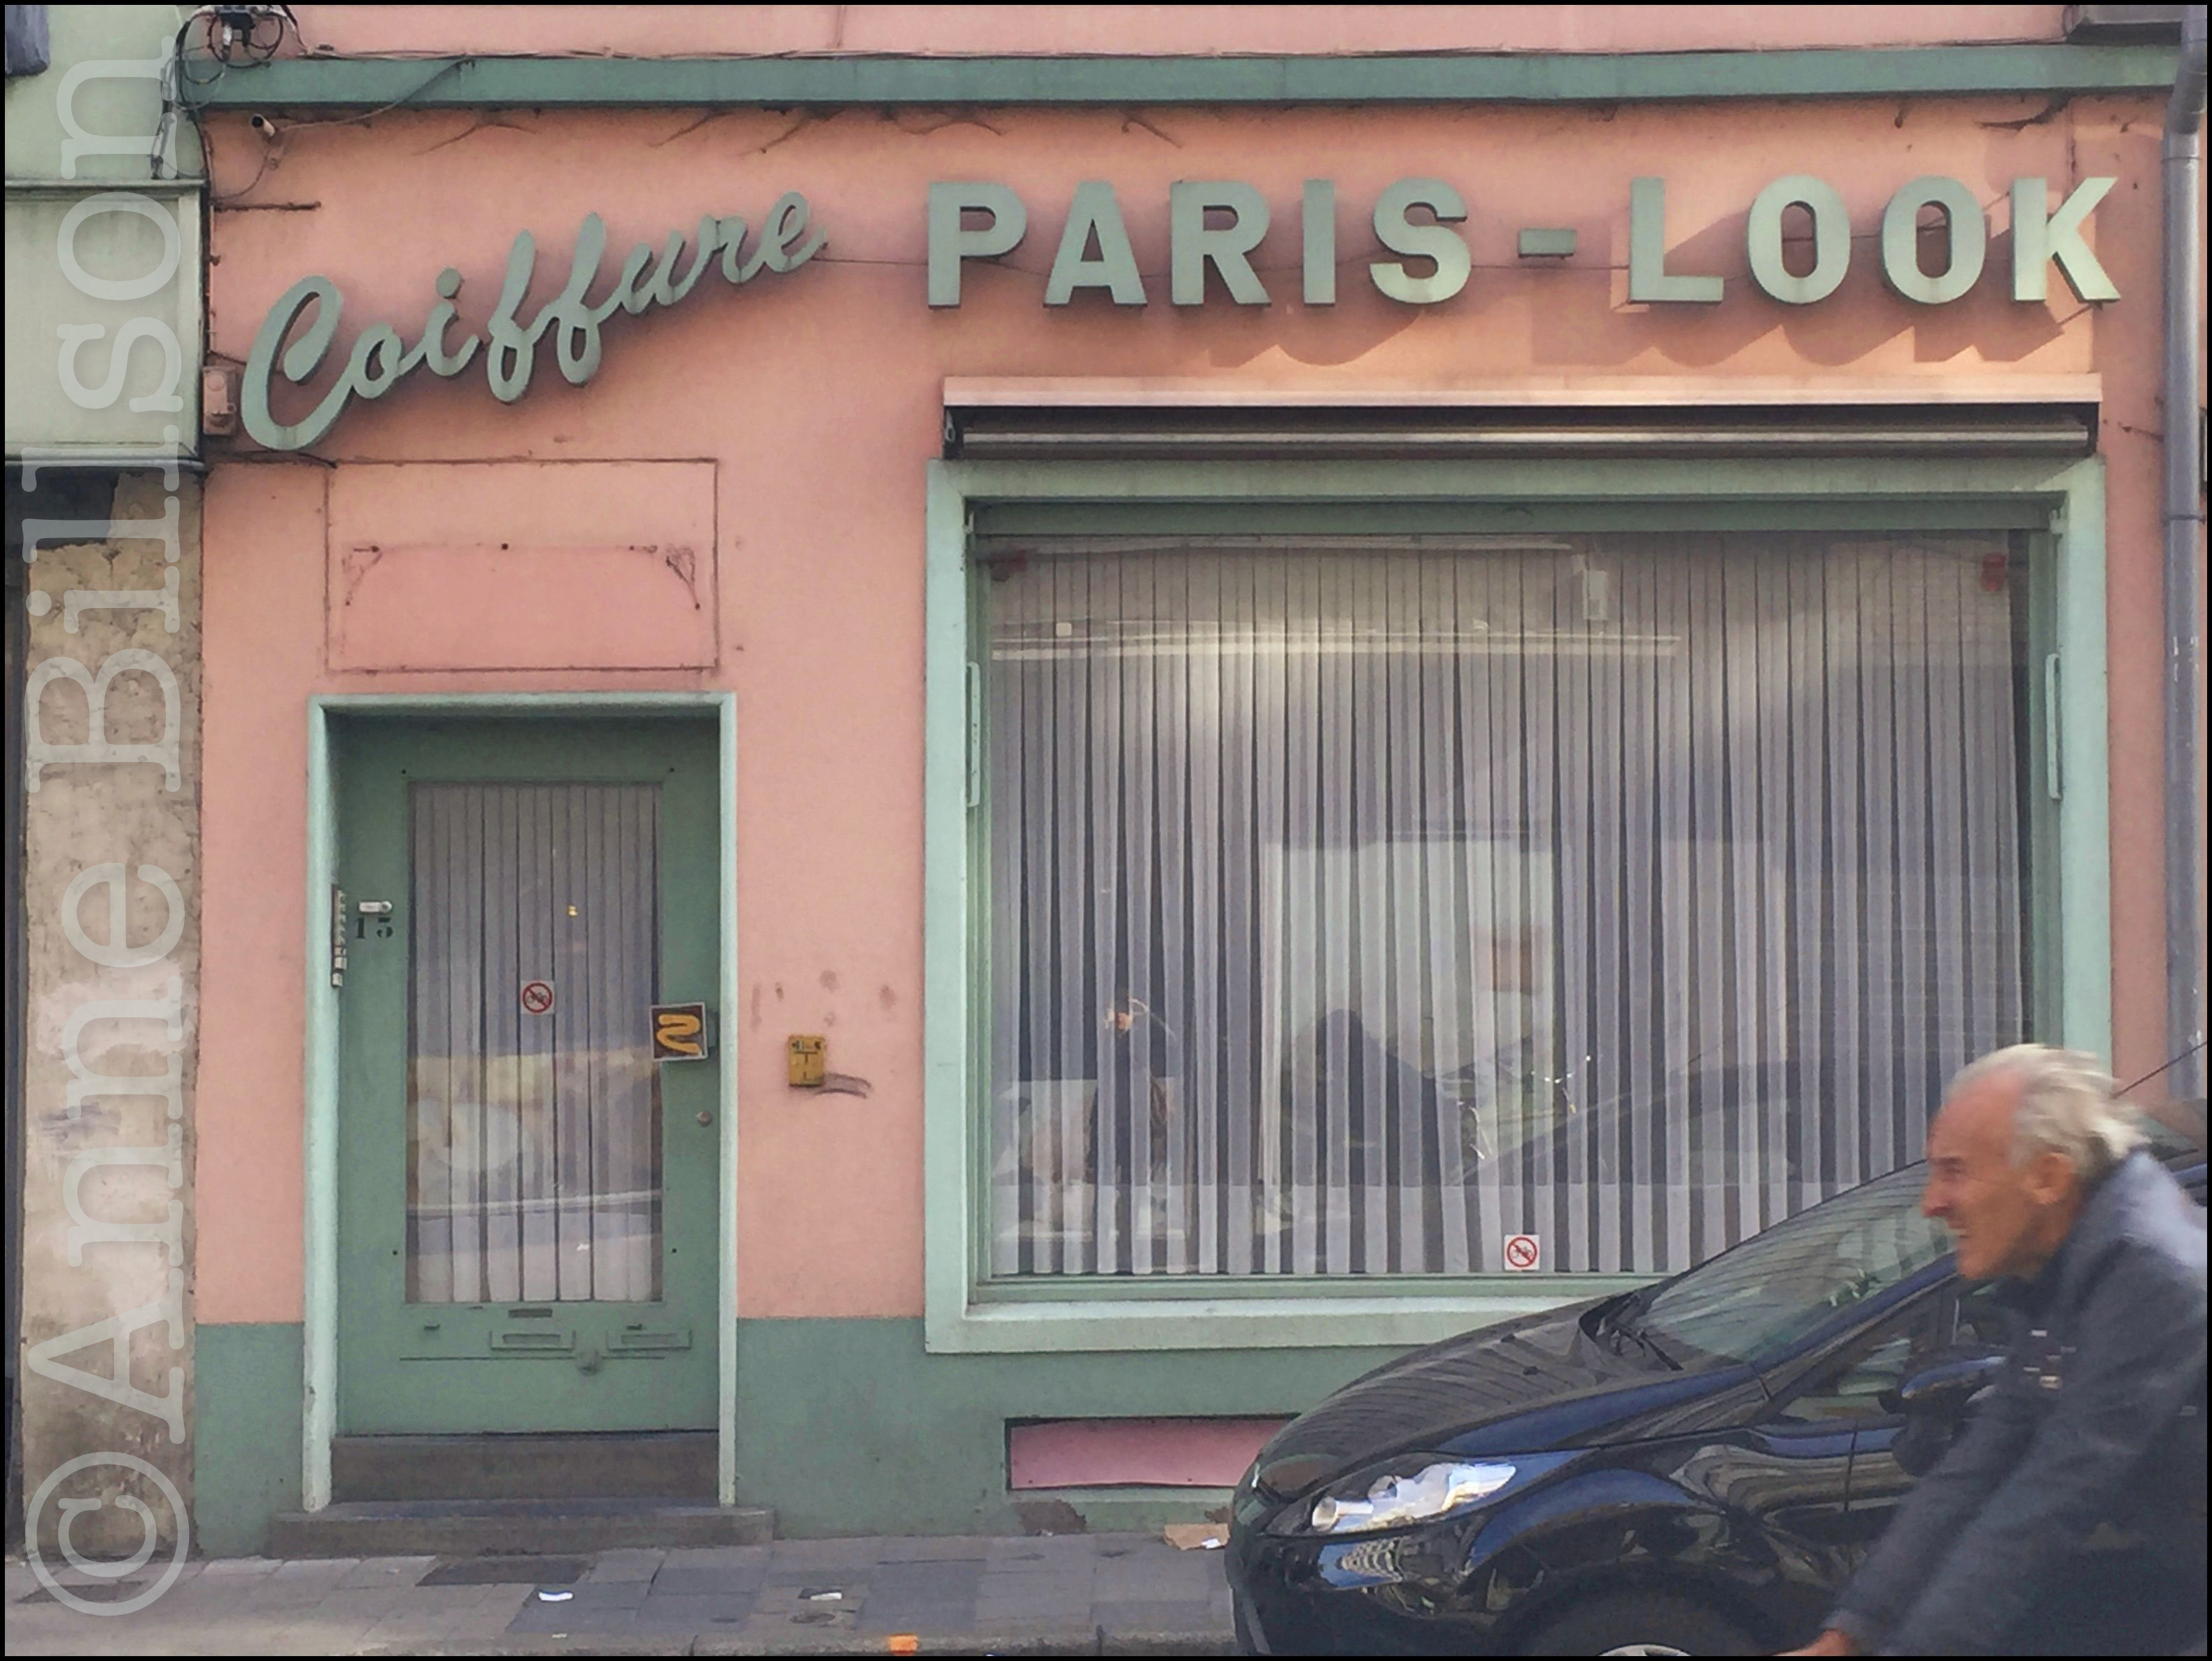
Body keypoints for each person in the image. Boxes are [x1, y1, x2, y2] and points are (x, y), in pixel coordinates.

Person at [1784, 1045, 2208, 1657]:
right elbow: (1978, 1469)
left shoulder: (2152, 1269)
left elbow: (2052, 1493)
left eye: (1955, 1171)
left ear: (2047, 1177)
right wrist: (1851, 1634)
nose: (1931, 1203)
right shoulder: (2066, 1266)